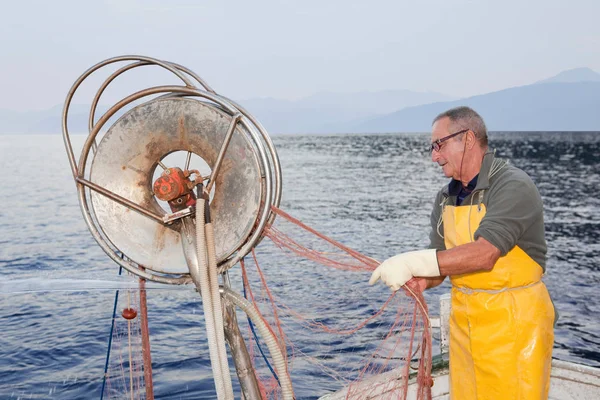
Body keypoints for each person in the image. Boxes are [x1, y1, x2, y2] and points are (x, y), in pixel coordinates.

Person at [369, 106, 555, 399]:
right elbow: (440, 262)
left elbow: (485, 253)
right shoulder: (445, 198)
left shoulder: (513, 186)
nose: (434, 155)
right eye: (432, 147)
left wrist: (411, 261)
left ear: (467, 138)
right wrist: (422, 279)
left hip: (515, 329)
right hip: (464, 331)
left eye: (439, 144)